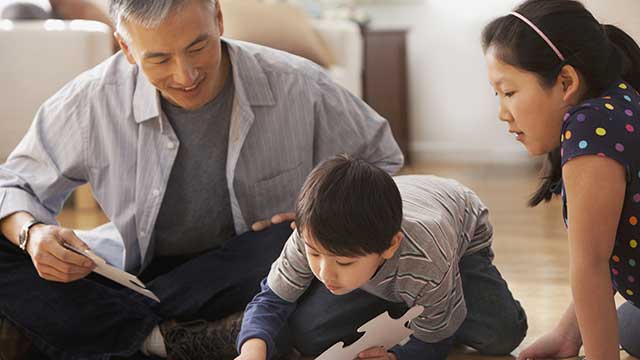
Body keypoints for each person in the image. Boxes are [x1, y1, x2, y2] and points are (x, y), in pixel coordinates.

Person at [0, 0, 403, 358]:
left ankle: (101, 334)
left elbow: (382, 162)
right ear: (127, 48)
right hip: (142, 274)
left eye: (198, 47)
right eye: (159, 59)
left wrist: (317, 214)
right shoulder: (91, 100)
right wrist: (31, 233)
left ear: (219, 19)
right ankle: (168, 339)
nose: (186, 74)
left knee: (303, 246)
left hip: (255, 265)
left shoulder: (301, 85)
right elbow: (13, 183)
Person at [236, 155, 527, 360]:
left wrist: (403, 355)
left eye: (343, 262)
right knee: (309, 336)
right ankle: (404, 297)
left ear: (390, 246)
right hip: (388, 257)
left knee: (501, 335)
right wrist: (252, 349)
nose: (325, 273)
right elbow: (271, 299)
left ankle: (423, 296)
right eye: (315, 255)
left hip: (459, 237)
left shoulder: (427, 256)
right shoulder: (311, 233)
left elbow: (436, 337)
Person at [482, 0, 640, 358]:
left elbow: (592, 265)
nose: (502, 113)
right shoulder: (617, 99)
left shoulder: (591, 129)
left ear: (566, 81)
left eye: (509, 92)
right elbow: (610, 241)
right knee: (628, 325)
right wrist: (569, 335)